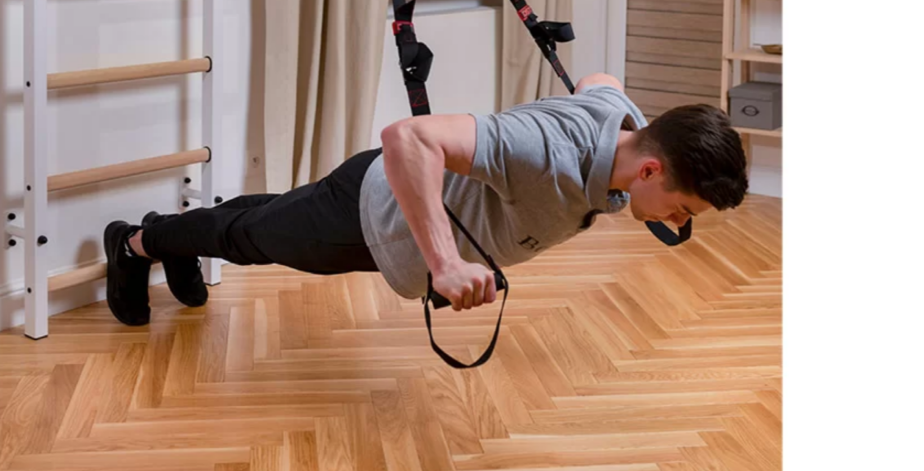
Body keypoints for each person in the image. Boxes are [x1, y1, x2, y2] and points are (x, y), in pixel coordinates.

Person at [102, 74, 749, 326]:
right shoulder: (543, 154)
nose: (673, 224)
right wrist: (443, 265)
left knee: (265, 215)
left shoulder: (623, 120)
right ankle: (136, 243)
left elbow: (602, 81)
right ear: (652, 170)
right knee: (249, 238)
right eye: (680, 210)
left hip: (378, 208)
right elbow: (407, 137)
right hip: (371, 217)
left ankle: (172, 234)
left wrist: (586, 90)